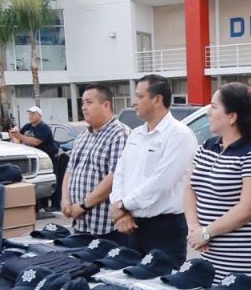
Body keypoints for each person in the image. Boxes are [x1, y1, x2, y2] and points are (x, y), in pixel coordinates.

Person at [184, 82, 251, 282]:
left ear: (232, 117)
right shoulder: (208, 146)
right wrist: (194, 228)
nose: (208, 112)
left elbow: (248, 208)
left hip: (245, 257)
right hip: (210, 254)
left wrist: (207, 232)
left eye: (214, 107)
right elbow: (189, 188)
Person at [110, 74, 197, 265]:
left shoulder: (178, 134)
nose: (134, 102)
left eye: (140, 96)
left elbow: (161, 182)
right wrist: (120, 209)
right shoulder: (136, 134)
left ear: (157, 99)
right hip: (132, 224)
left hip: (164, 229)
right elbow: (120, 173)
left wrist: (123, 205)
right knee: (130, 278)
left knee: (162, 280)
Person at [60, 84, 131, 240]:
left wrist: (83, 204)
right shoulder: (83, 136)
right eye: (82, 103)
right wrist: (65, 199)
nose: (84, 107)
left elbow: (115, 177)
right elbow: (70, 170)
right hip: (80, 224)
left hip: (107, 227)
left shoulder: (120, 134)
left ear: (106, 105)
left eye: (89, 102)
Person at [11, 105, 62, 210]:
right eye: (29, 114)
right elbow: (19, 138)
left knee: (52, 179)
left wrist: (20, 136)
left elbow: (36, 141)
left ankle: (56, 205)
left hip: (49, 157)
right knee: (40, 179)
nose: (30, 116)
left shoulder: (43, 127)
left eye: (33, 114)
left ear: (39, 115)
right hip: (35, 158)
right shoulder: (27, 126)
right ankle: (43, 204)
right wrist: (14, 134)